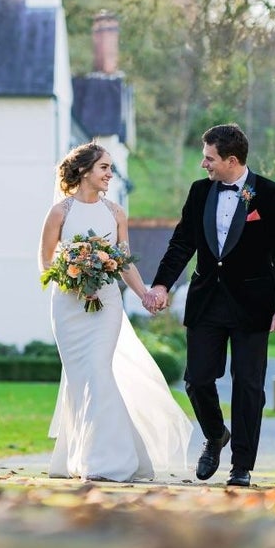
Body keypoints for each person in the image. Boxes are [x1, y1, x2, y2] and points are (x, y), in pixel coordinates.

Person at [143, 123, 275, 487]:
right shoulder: (200, 193)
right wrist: (162, 283)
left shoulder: (271, 195)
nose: (203, 165)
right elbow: (182, 243)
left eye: (209, 158)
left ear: (231, 160)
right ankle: (215, 435)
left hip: (253, 306)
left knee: (247, 385)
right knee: (196, 380)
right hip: (207, 301)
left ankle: (241, 465)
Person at [39, 142, 192, 482]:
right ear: (84, 171)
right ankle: (75, 456)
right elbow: (46, 260)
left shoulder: (116, 213)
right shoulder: (60, 213)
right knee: (80, 380)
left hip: (106, 305)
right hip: (68, 306)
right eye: (104, 168)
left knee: (98, 371)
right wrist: (72, 280)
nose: (110, 174)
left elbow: (123, 264)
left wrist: (145, 295)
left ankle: (109, 461)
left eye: (110, 168)